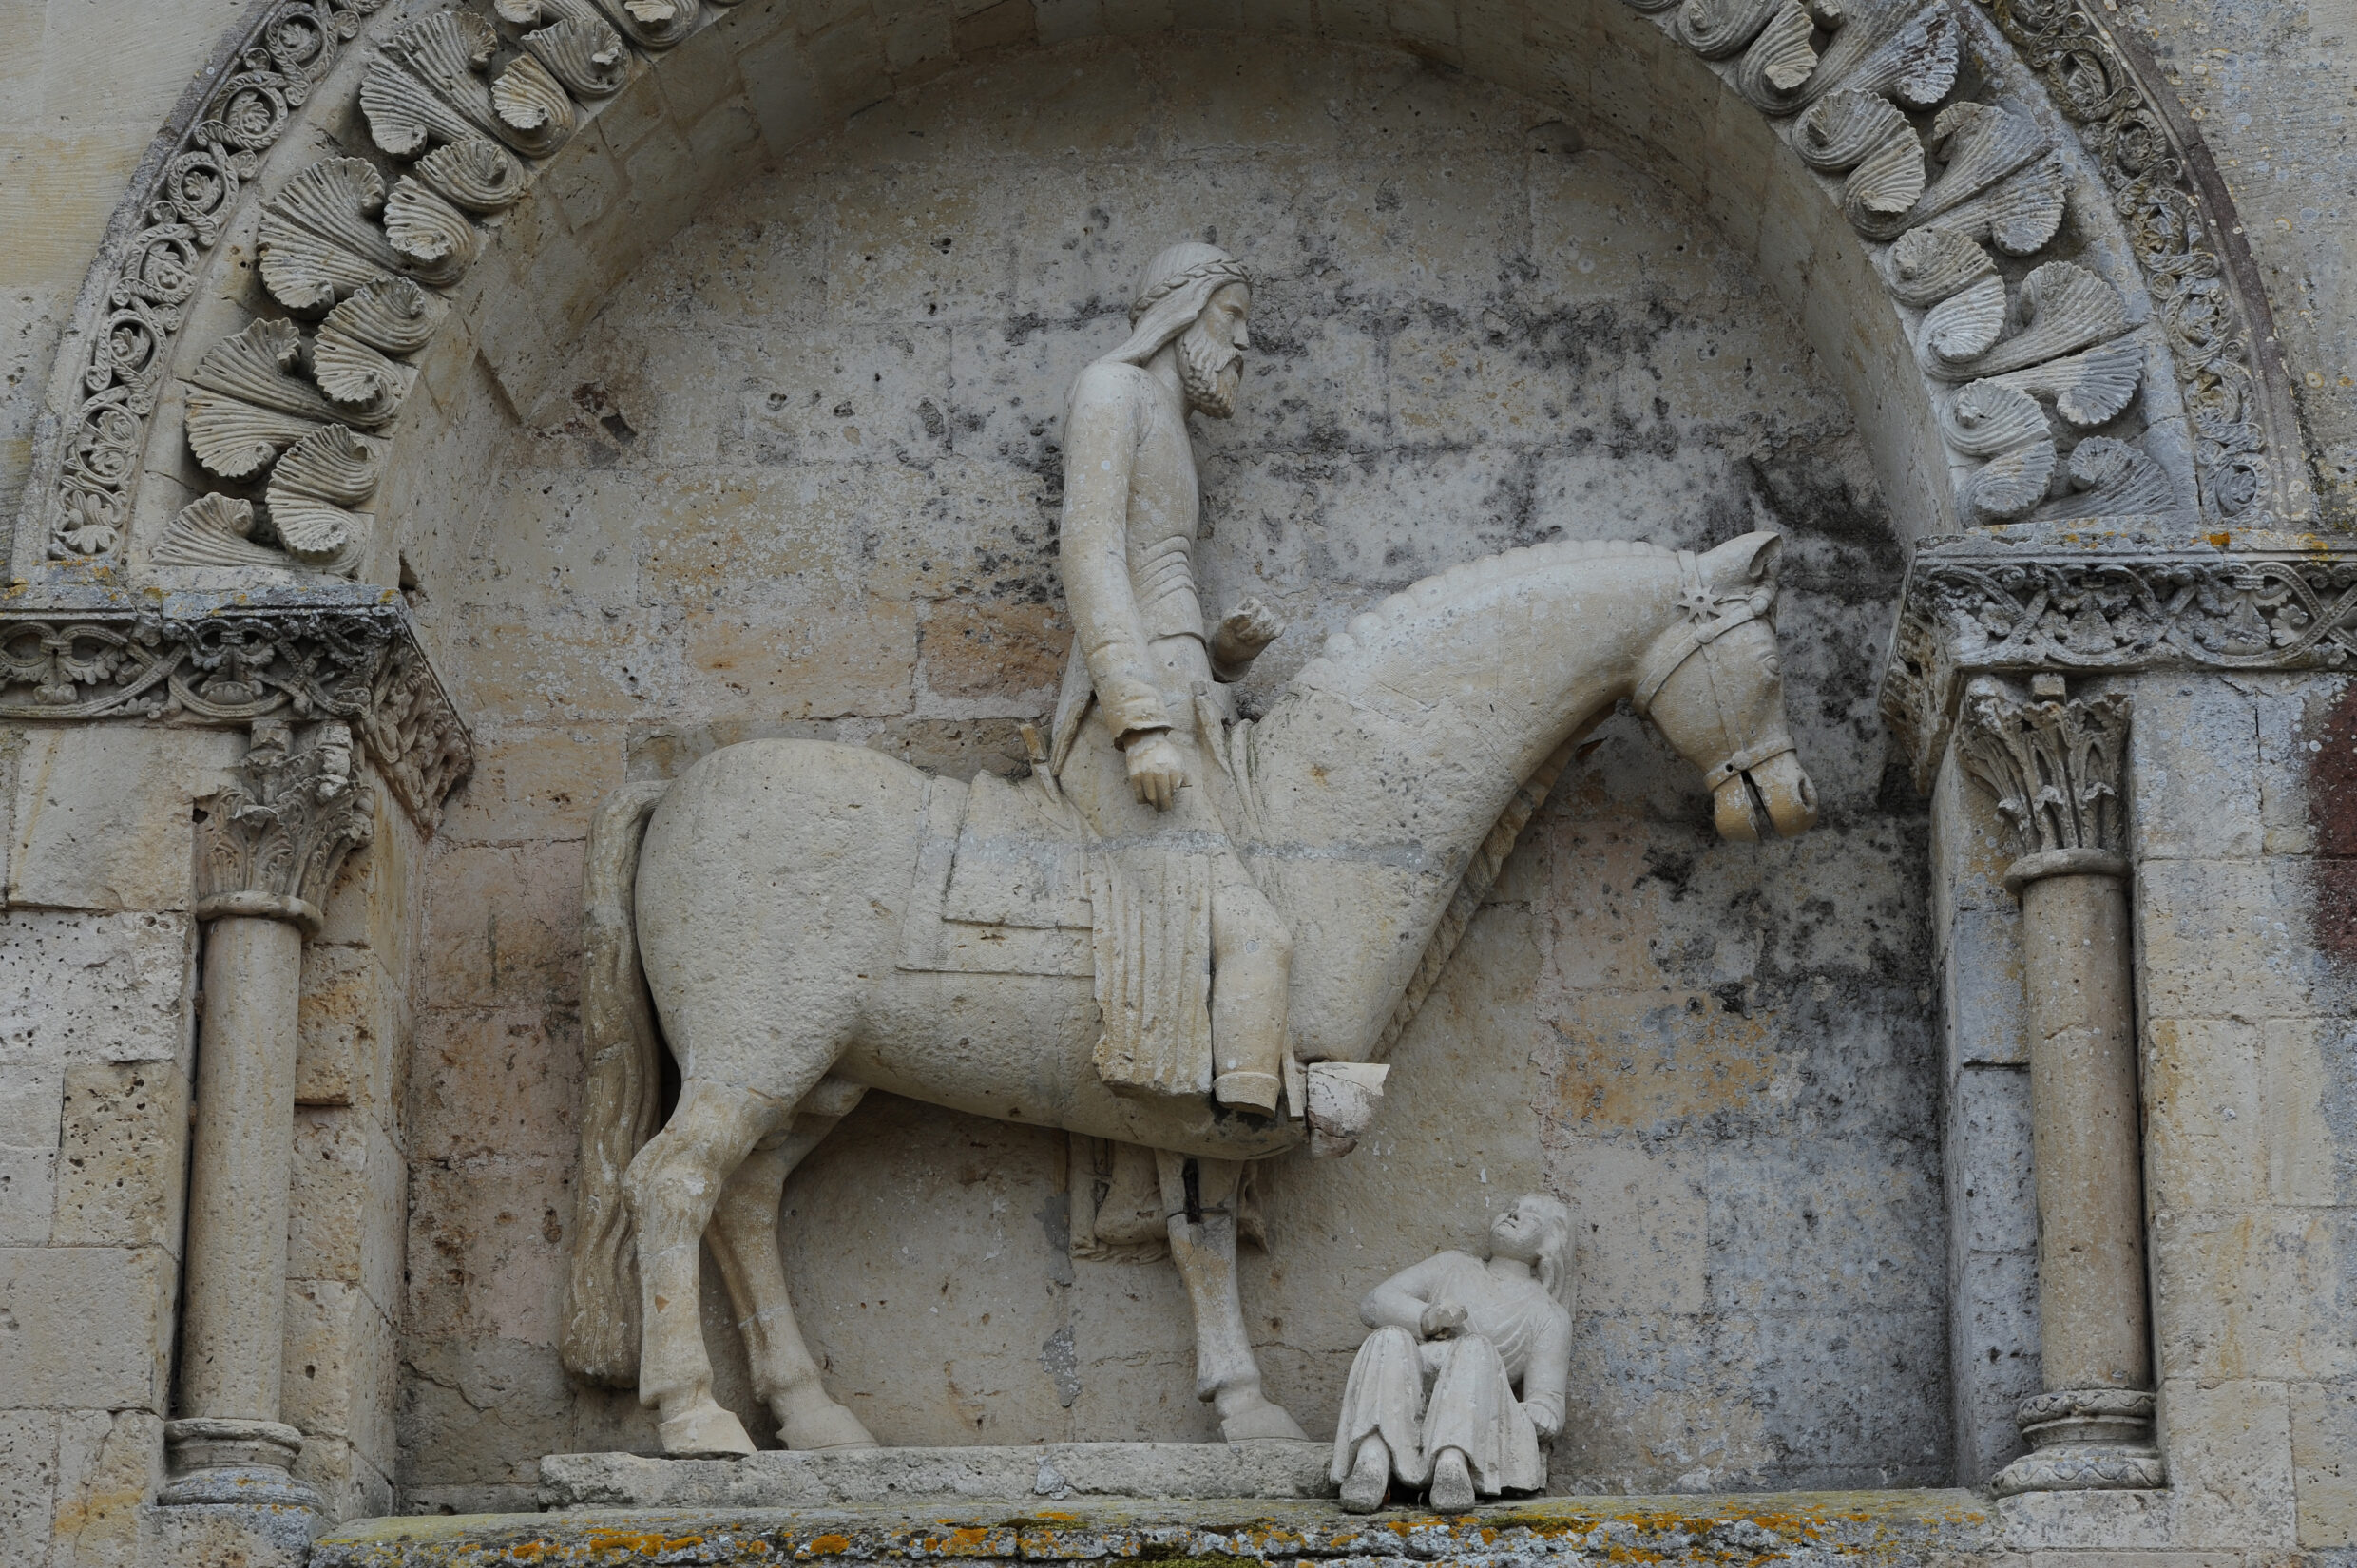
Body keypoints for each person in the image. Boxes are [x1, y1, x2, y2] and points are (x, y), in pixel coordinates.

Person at [1048, 242, 1292, 1115]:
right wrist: (1141, 721)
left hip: (1190, 711)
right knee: (1253, 934)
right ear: (1185, 313)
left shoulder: (1167, 422)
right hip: (1130, 732)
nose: (1245, 344)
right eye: (1236, 317)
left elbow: (1160, 590)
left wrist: (1223, 654)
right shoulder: (1112, 392)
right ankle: (1227, 1133)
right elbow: (1090, 556)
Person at [1331, 1194, 1576, 1513]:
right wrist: (1427, 1317)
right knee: (1387, 1339)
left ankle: (1453, 1461)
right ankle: (1371, 1458)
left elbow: (1547, 1400)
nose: (1513, 1214)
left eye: (1530, 1216)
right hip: (1415, 1384)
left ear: (1549, 1244)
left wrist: (1543, 1412)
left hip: (1479, 1402)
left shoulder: (1548, 1315)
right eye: (1510, 1208)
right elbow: (1375, 1303)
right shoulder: (1452, 1265)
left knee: (1475, 1347)